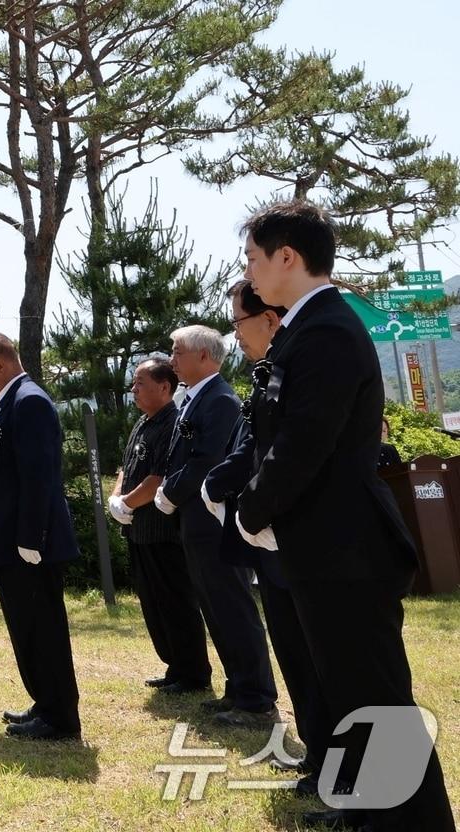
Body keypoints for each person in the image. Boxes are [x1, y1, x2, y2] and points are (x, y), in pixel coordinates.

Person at [236, 199, 453, 831]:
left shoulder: (325, 330)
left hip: (347, 549)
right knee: (352, 698)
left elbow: (303, 442)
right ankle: (369, 813)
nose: (249, 271)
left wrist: (252, 509)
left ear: (287, 257)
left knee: (377, 700)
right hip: (325, 548)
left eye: (254, 258)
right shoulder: (306, 328)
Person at [204, 280, 331, 796]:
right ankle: (320, 757)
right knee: (296, 660)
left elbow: (293, 452)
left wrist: (249, 510)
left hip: (299, 537)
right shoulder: (267, 373)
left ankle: (340, 770)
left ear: (269, 320)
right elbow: (255, 447)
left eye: (237, 322)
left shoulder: (310, 358)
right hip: (272, 541)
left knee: (321, 665)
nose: (235, 335)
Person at [155, 324, 278, 728]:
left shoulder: (220, 400)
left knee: (232, 604)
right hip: (196, 519)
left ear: (204, 357)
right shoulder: (195, 397)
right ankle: (238, 686)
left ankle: (256, 697)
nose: (172, 359)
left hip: (214, 517)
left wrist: (170, 492)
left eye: (178, 352)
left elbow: (207, 460)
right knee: (214, 605)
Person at [0, 333, 82, 741]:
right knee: (27, 629)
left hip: (28, 544)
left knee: (42, 629)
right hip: (10, 542)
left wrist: (32, 538)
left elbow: (40, 478)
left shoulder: (28, 401)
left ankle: (59, 717)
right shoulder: (13, 401)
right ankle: (44, 702)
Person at [107, 357, 211, 695]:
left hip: (163, 531)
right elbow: (128, 466)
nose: (133, 389)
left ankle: (193, 673)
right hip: (139, 531)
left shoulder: (172, 423)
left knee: (175, 601)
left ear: (164, 387)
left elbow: (158, 477)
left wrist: (127, 502)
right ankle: (174, 666)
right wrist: (116, 496)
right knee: (152, 602)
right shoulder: (143, 422)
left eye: (140, 383)